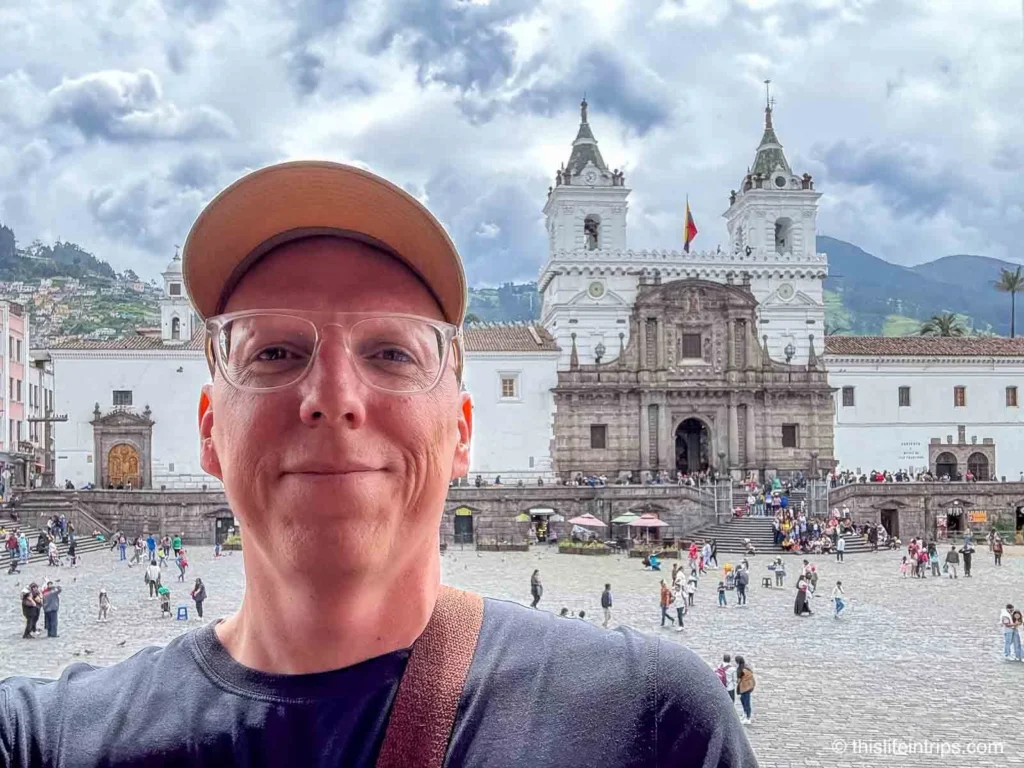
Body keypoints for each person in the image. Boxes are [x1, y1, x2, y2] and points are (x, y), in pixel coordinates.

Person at [0, 161, 754, 767]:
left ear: (462, 434)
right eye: (275, 352)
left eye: (391, 353)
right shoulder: (47, 740)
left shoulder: (655, 724)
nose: (333, 399)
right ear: (208, 433)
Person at [735, 656, 755, 724]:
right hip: (747, 688)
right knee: (743, 700)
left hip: (745, 688)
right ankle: (745, 714)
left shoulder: (742, 670)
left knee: (746, 703)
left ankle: (748, 718)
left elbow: (739, 680)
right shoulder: (746, 668)